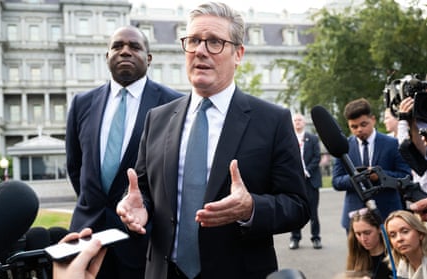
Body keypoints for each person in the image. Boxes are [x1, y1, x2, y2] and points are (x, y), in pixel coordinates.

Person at [117, 2, 310, 279]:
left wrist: (251, 208)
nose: (201, 50)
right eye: (193, 40)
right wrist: (138, 204)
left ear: (238, 54)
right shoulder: (157, 119)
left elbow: (298, 205)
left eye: (215, 42)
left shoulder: (272, 120)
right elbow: (145, 189)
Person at [65, 25, 182, 279]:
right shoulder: (81, 103)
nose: (125, 51)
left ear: (148, 58)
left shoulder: (175, 105)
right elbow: (76, 167)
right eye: (117, 46)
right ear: (106, 56)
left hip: (144, 239)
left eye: (134, 47)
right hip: (87, 237)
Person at [332, 98, 411, 232]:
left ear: (373, 120)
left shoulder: (392, 143)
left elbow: (405, 176)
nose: (359, 130)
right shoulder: (343, 147)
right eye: (354, 127)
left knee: (391, 253)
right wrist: (356, 177)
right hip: (355, 217)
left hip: (388, 215)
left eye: (364, 124)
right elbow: (336, 181)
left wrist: (379, 176)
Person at [289, 113, 323, 250]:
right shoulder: (288, 138)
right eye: (295, 120)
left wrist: (306, 171)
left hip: (311, 180)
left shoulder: (313, 138)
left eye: (300, 120)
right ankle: (295, 238)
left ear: (304, 123)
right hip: (295, 181)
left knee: (313, 212)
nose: (297, 122)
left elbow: (317, 157)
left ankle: (316, 238)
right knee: (295, 211)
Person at [346, 208, 391, 279]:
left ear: (379, 229)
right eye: (358, 234)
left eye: (367, 233)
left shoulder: (392, 255)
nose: (363, 239)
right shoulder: (357, 255)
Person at [385, 210, 427, 278]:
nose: (399, 239)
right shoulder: (402, 267)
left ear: (420, 234)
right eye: (393, 235)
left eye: (405, 231)